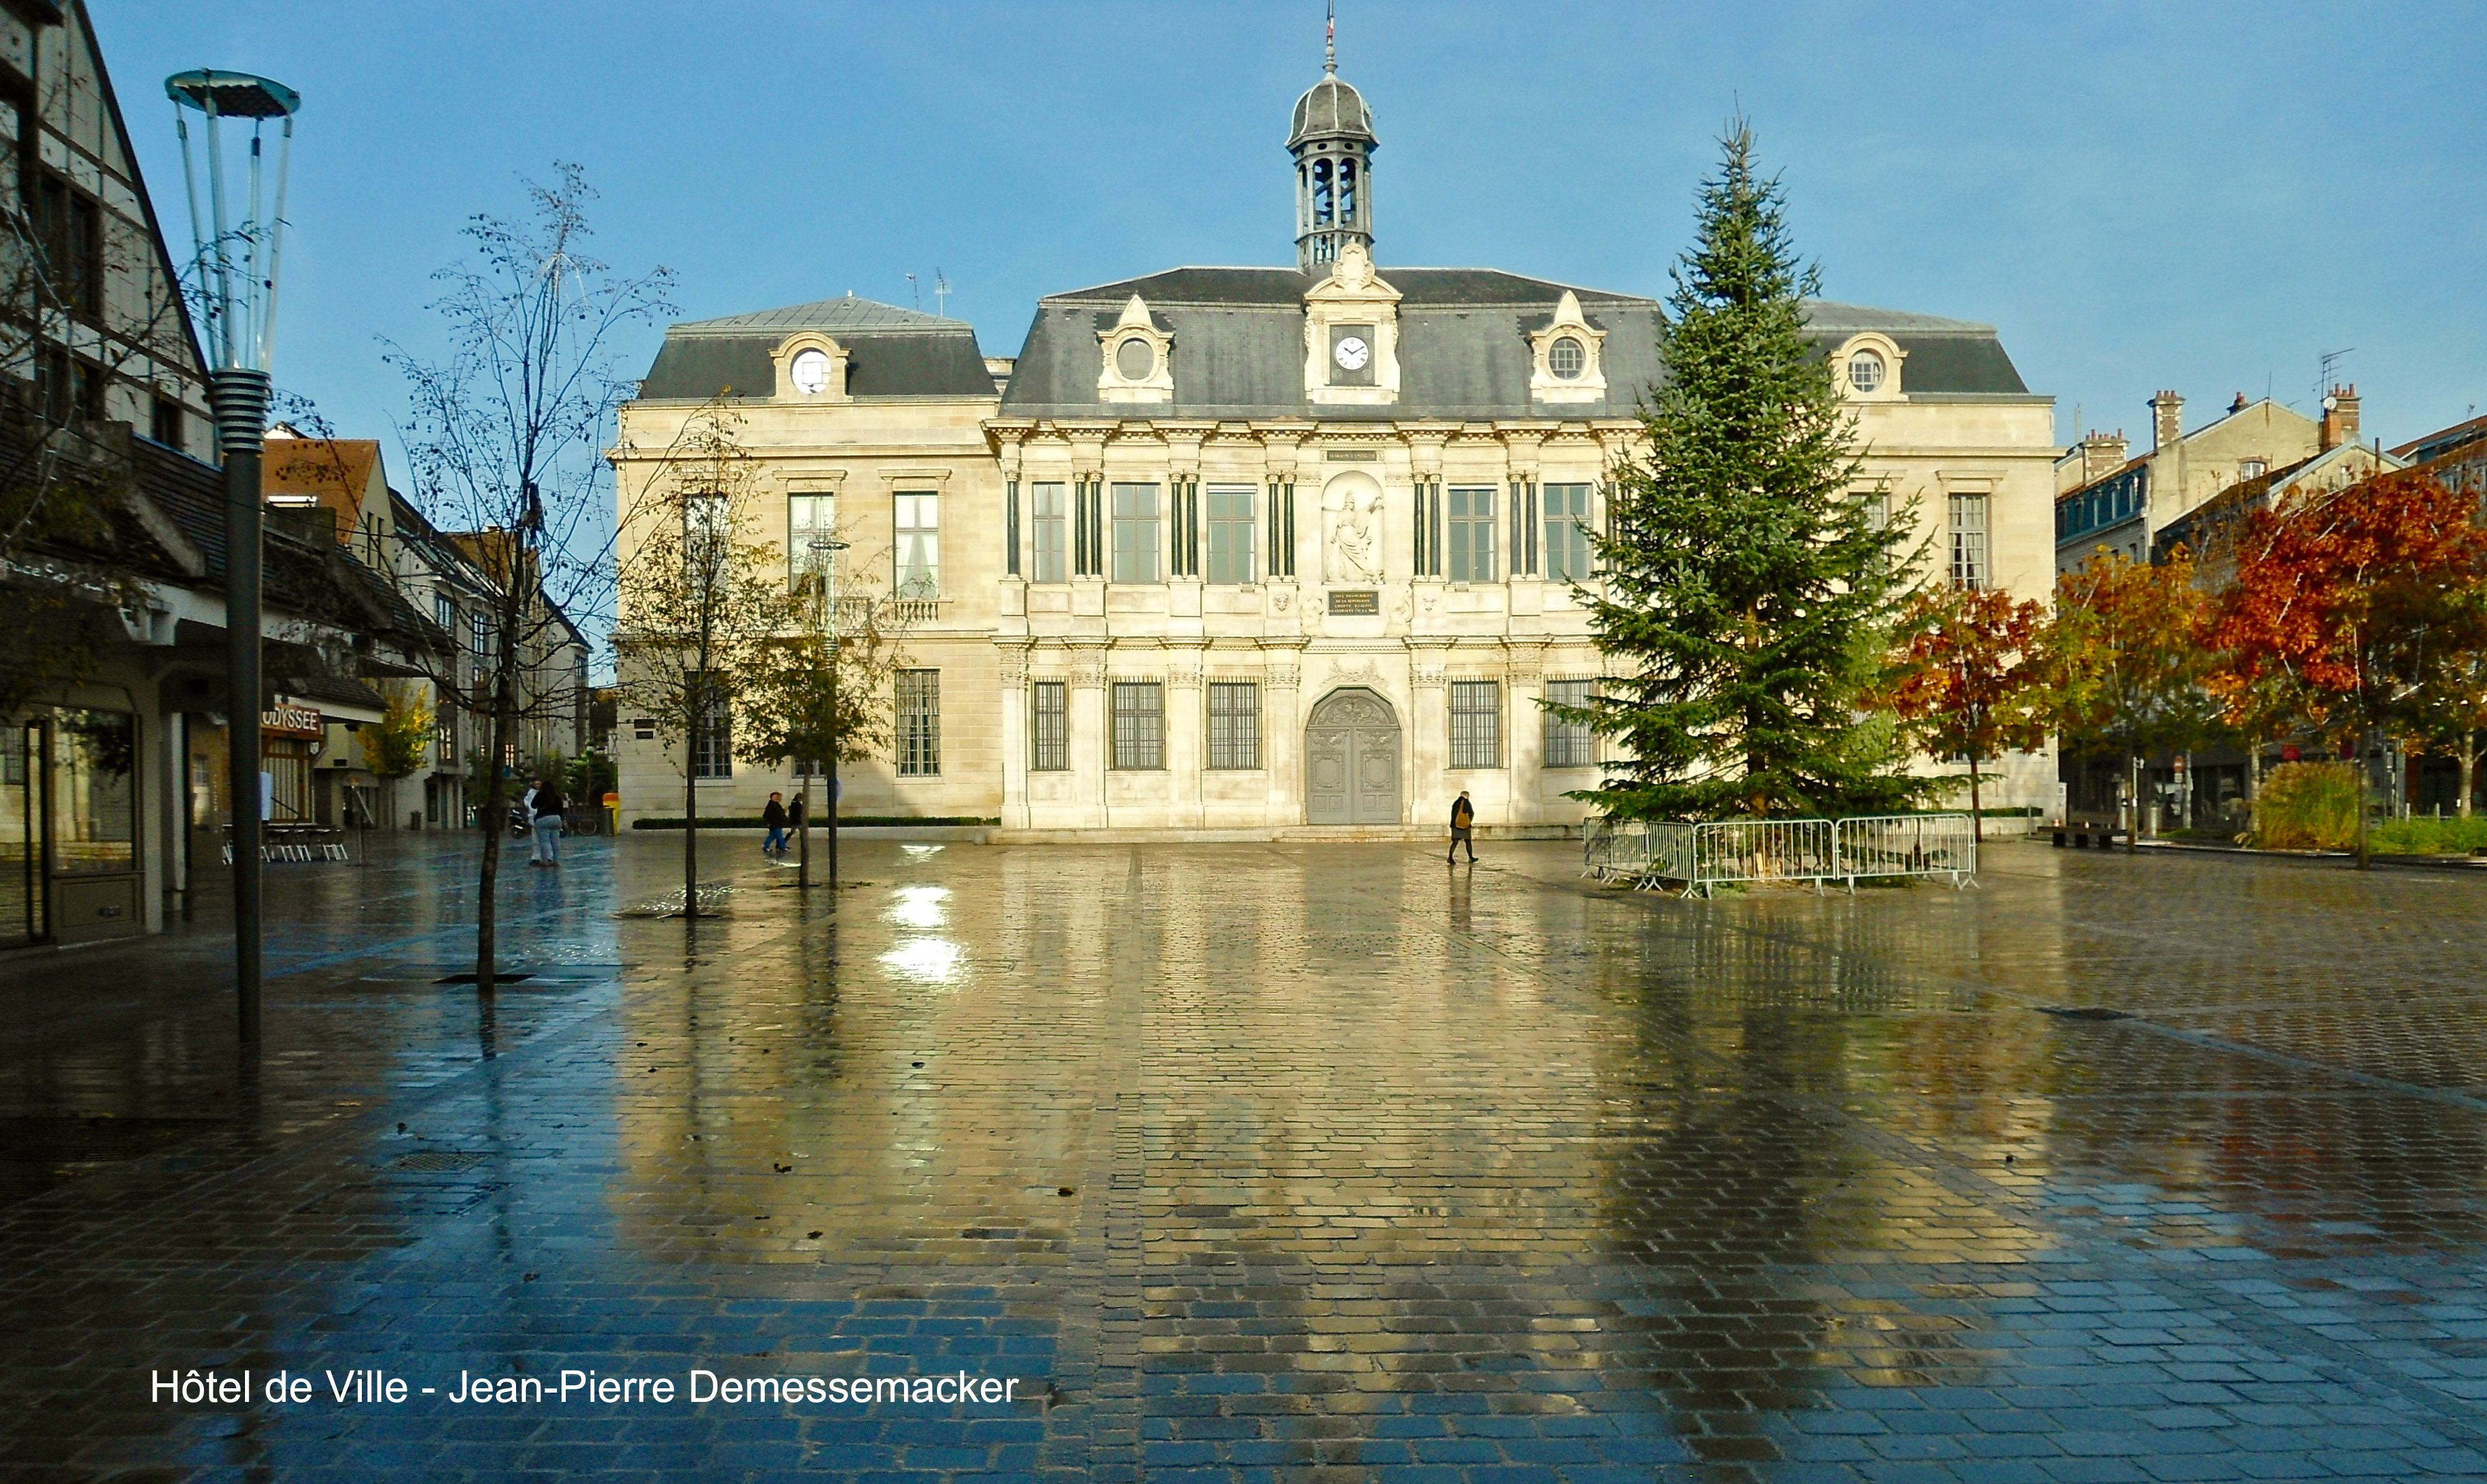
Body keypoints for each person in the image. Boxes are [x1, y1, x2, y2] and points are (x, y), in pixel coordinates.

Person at [529, 777, 565, 867]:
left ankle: (545, 861)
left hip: (543, 819)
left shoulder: (540, 795)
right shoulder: (557, 797)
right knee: (556, 841)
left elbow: (533, 806)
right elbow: (561, 810)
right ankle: (556, 861)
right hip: (556, 819)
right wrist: (561, 820)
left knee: (544, 841)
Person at [1448, 789, 1477, 863]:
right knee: (1468, 842)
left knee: (1455, 842)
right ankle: (1471, 857)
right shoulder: (1466, 803)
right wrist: (1468, 821)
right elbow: (1471, 813)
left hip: (1455, 825)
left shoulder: (1456, 803)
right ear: (1466, 796)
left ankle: (1450, 857)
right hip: (1464, 826)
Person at [761, 791, 790, 857]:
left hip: (777, 823)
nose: (776, 798)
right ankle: (783, 847)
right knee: (779, 836)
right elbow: (767, 815)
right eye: (774, 797)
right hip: (775, 823)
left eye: (777, 797)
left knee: (772, 836)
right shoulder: (771, 805)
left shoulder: (777, 804)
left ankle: (766, 846)